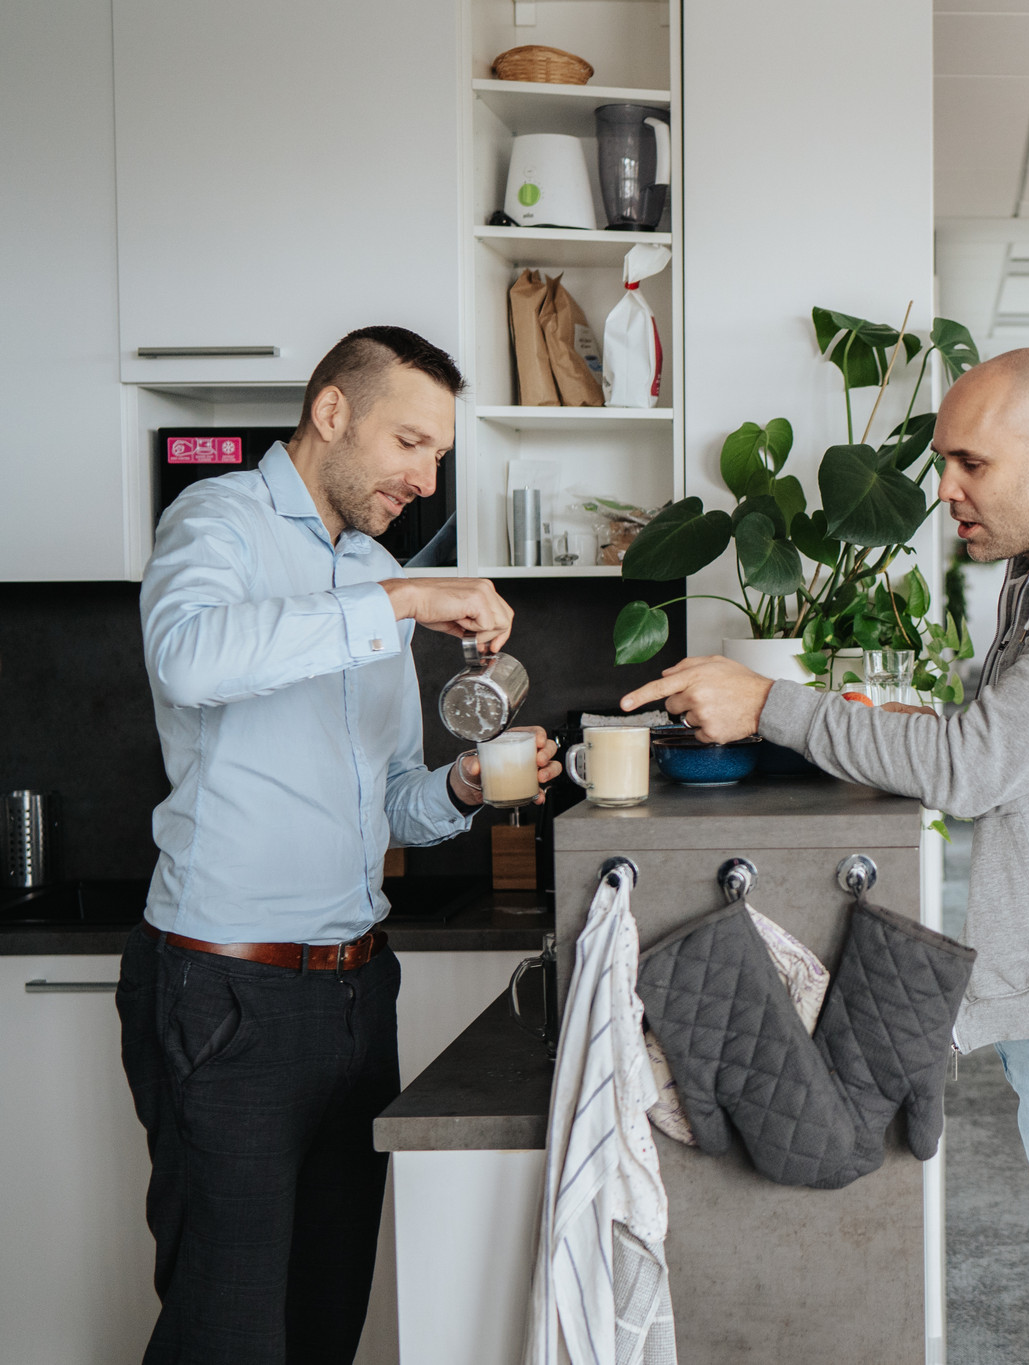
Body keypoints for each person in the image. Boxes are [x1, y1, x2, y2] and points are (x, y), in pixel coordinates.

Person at [618, 347, 1029, 1365]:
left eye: (969, 464)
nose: (944, 491)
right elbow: (1013, 723)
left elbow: (975, 764)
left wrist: (771, 701)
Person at [120, 326, 560, 1363]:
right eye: (411, 443)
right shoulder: (216, 521)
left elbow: (393, 805)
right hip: (227, 996)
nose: (426, 476)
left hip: (357, 994)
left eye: (439, 455)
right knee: (226, 1334)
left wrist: (460, 784)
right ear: (331, 414)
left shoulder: (365, 570)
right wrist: (401, 601)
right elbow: (188, 658)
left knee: (324, 1324)